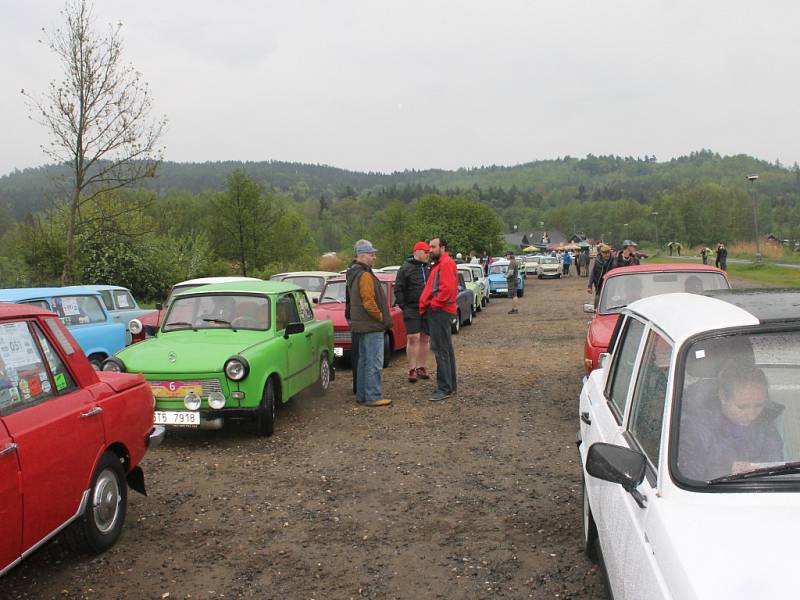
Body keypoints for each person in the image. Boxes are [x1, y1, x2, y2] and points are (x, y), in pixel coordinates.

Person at [678, 366, 783, 481]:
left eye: (759, 405)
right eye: (742, 407)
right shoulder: (695, 429)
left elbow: (777, 468)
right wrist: (726, 473)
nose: (752, 415)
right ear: (723, 396)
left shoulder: (766, 426)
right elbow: (688, 480)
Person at [345, 240, 393, 407]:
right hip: (371, 325)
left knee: (364, 361)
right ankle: (373, 396)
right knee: (373, 361)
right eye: (371, 254)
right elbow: (368, 302)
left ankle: (362, 395)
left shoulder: (354, 272)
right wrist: (381, 317)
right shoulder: (364, 275)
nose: (374, 257)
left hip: (362, 325)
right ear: (362, 256)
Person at [419, 236, 458, 401]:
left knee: (441, 350)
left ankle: (444, 388)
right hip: (440, 310)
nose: (430, 250)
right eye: (429, 247)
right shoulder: (440, 264)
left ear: (442, 247)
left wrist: (434, 305)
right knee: (446, 349)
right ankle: (450, 386)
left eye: (433, 247)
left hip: (440, 312)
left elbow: (447, 289)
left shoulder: (446, 264)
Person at [394, 241, 432, 383]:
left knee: (425, 338)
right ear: (417, 252)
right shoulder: (405, 268)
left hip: (427, 308)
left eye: (429, 252)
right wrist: (404, 306)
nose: (428, 254)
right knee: (413, 337)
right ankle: (412, 368)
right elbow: (398, 288)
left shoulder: (428, 267)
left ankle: (422, 367)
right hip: (411, 308)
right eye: (426, 252)